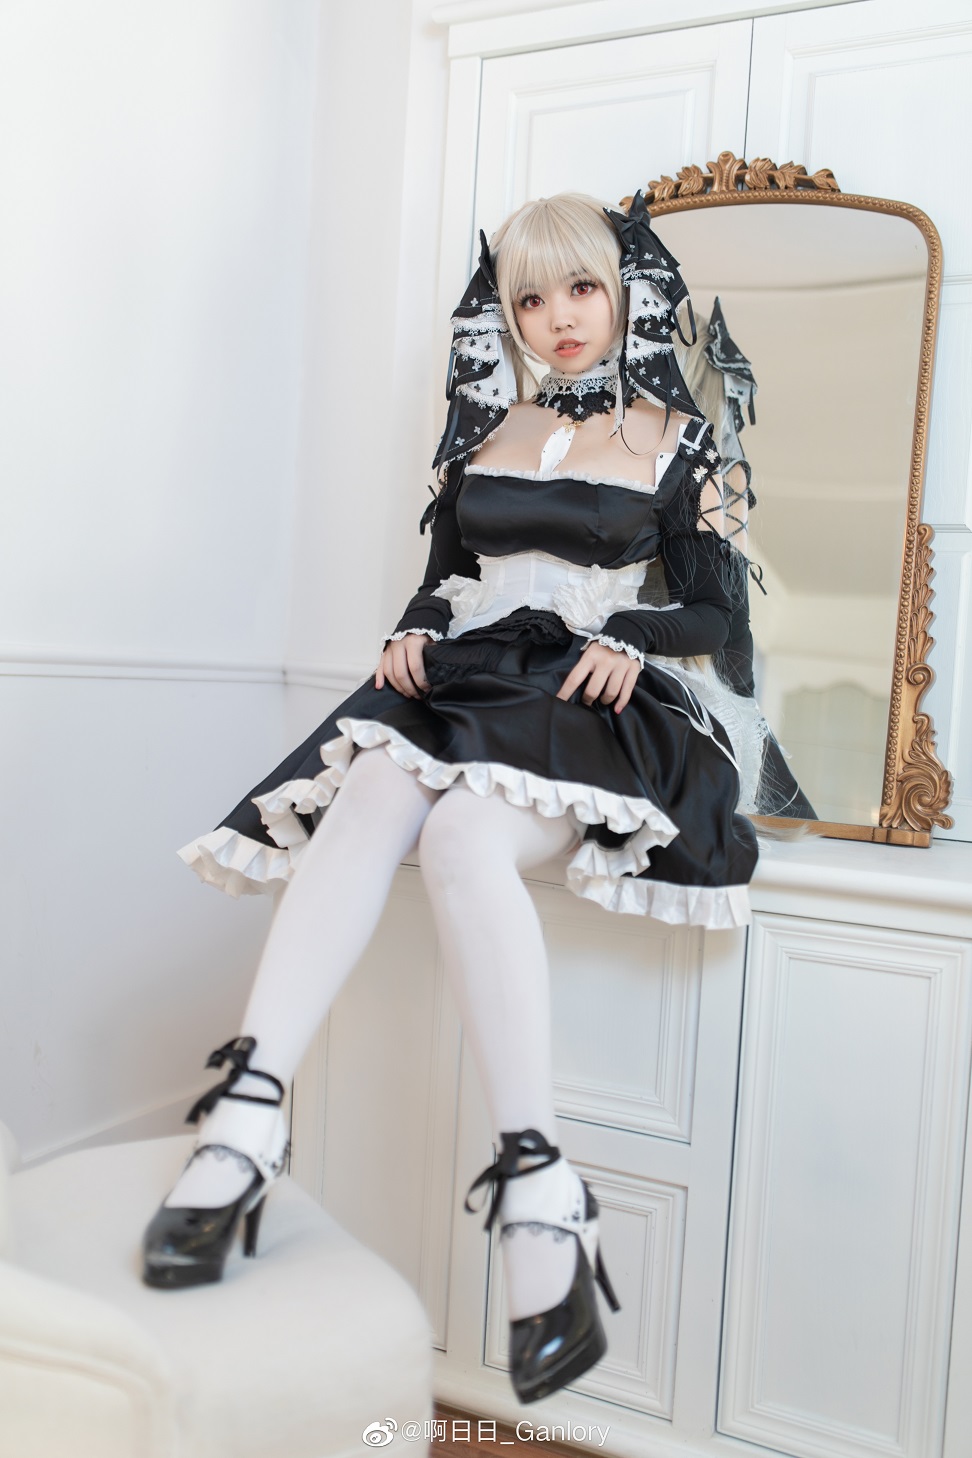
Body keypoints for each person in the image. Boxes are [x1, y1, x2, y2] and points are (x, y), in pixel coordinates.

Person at [141, 191, 758, 1405]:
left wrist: (631, 634)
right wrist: (415, 628)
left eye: (580, 288)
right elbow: (449, 575)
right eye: (531, 298)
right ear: (507, 315)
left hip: (585, 695)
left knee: (469, 838)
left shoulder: (678, 440)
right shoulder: (485, 432)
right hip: (473, 676)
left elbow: (714, 616)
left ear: (623, 292)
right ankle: (248, 1116)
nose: (558, 317)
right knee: (373, 786)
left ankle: (539, 1186)